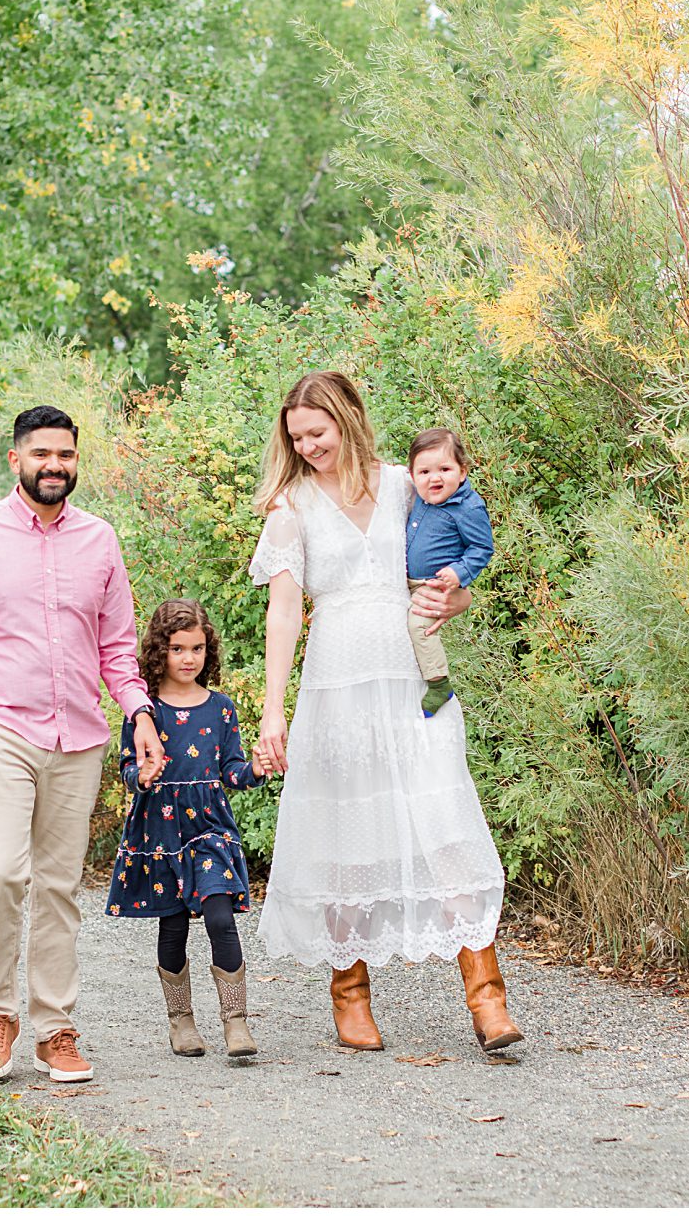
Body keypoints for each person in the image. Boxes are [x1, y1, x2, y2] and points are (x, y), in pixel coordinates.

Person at [246, 371, 522, 1054]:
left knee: (447, 826)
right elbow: (284, 611)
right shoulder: (293, 503)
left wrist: (453, 601)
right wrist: (272, 712)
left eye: (319, 432)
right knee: (346, 840)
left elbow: (453, 568)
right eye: (297, 438)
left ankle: (488, 1001)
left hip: (409, 683)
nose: (308, 446)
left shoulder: (407, 483)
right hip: (337, 686)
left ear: (348, 419)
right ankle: (351, 998)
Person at [0, 404, 166, 1083]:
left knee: (59, 887)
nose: (54, 466)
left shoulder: (100, 541)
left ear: (76, 461)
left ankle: (56, 1028)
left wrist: (140, 714)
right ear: (16, 460)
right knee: (1, 873)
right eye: (41, 455)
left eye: (65, 455)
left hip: (78, 739)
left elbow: (118, 647)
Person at [103, 599, 264, 1059]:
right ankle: (182, 1023)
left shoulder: (221, 709)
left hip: (209, 826)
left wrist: (257, 768)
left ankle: (235, 1024)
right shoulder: (144, 711)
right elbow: (128, 768)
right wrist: (143, 776)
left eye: (196, 648)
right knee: (173, 928)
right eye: (177, 649)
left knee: (219, 917)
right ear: (160, 652)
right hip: (161, 832)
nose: (188, 658)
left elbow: (232, 771)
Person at [403, 427, 495, 717]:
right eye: (425, 472)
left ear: (462, 471)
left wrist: (459, 573)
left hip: (435, 585)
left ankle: (439, 683)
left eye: (444, 468)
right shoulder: (420, 495)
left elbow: (482, 547)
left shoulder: (467, 507)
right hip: (405, 582)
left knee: (420, 626)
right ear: (413, 475)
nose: (435, 478)